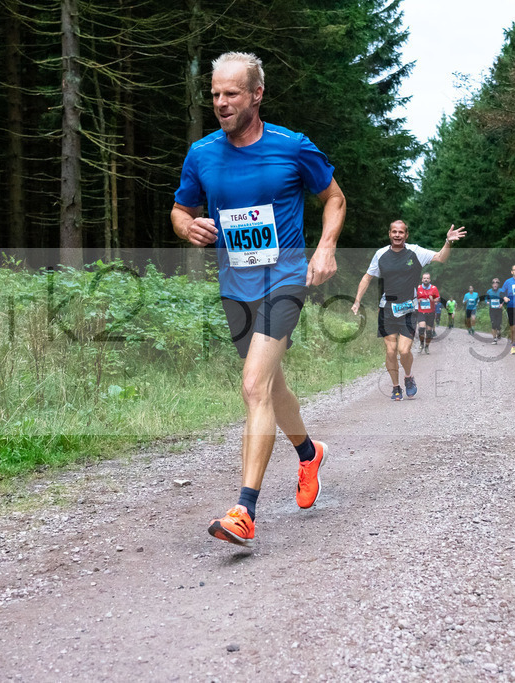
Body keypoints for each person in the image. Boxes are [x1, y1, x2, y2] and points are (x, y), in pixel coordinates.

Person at [171, 52, 346, 547]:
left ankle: (245, 509)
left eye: (231, 93)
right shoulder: (202, 154)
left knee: (252, 385)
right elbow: (180, 209)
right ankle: (309, 453)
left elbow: (334, 197)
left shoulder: (292, 147)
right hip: (236, 284)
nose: (221, 103)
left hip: (285, 278)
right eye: (215, 95)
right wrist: (189, 226)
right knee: (271, 386)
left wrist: (326, 246)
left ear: (256, 95)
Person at [351, 220, 466, 399]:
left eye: (401, 232)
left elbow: (441, 257)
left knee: (404, 351)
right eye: (394, 232)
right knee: (390, 350)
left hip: (408, 308)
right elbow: (367, 278)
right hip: (387, 308)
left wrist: (448, 242)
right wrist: (357, 300)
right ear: (389, 234)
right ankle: (396, 387)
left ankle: (408, 376)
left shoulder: (416, 252)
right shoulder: (380, 254)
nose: (397, 235)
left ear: (406, 235)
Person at [415, 272, 440, 354]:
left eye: (427, 278)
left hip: (430, 313)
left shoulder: (434, 288)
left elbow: (438, 299)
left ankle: (427, 347)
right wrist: (417, 300)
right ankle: (421, 344)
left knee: (429, 332)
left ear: (430, 280)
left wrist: (433, 299)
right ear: (422, 279)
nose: (426, 279)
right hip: (421, 312)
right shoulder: (418, 288)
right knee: (421, 329)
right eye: (424, 278)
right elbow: (414, 298)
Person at [486, 277, 504, 344]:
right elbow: (486, 299)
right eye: (494, 283)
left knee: (498, 324)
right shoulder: (489, 291)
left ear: (498, 284)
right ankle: (494, 339)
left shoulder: (501, 291)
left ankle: (499, 332)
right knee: (493, 324)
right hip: (492, 310)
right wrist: (487, 302)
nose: (495, 284)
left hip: (499, 310)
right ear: (492, 284)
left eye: (497, 283)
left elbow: (503, 299)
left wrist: (502, 304)